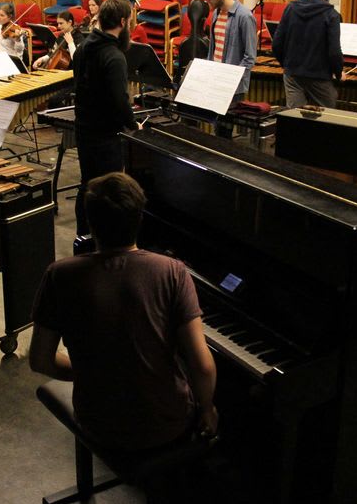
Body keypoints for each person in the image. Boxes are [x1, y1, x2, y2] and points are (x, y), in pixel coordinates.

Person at [29, 171, 218, 458]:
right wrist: (207, 409)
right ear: (140, 218)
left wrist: (96, 375)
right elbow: (202, 367)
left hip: (96, 424)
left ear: (90, 222)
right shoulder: (172, 271)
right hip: (167, 426)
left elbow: (40, 360)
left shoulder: (59, 275)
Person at [71, 0, 139, 236]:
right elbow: (120, 100)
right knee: (109, 189)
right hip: (105, 135)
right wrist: (133, 124)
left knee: (87, 184)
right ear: (122, 22)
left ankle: (83, 236)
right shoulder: (114, 56)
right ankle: (106, 238)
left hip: (84, 127)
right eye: (129, 20)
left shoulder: (83, 47)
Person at [271, 0, 343, 108]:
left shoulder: (290, 9)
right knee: (327, 116)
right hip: (319, 76)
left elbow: (276, 44)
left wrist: (287, 65)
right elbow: (334, 51)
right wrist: (339, 73)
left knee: (294, 117)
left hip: (292, 75)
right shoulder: (331, 15)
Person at [202, 0, 256, 139]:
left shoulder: (245, 16)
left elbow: (250, 57)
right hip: (215, 80)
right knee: (217, 129)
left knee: (224, 132)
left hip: (231, 85)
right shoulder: (216, 14)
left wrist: (229, 79)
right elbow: (214, 49)